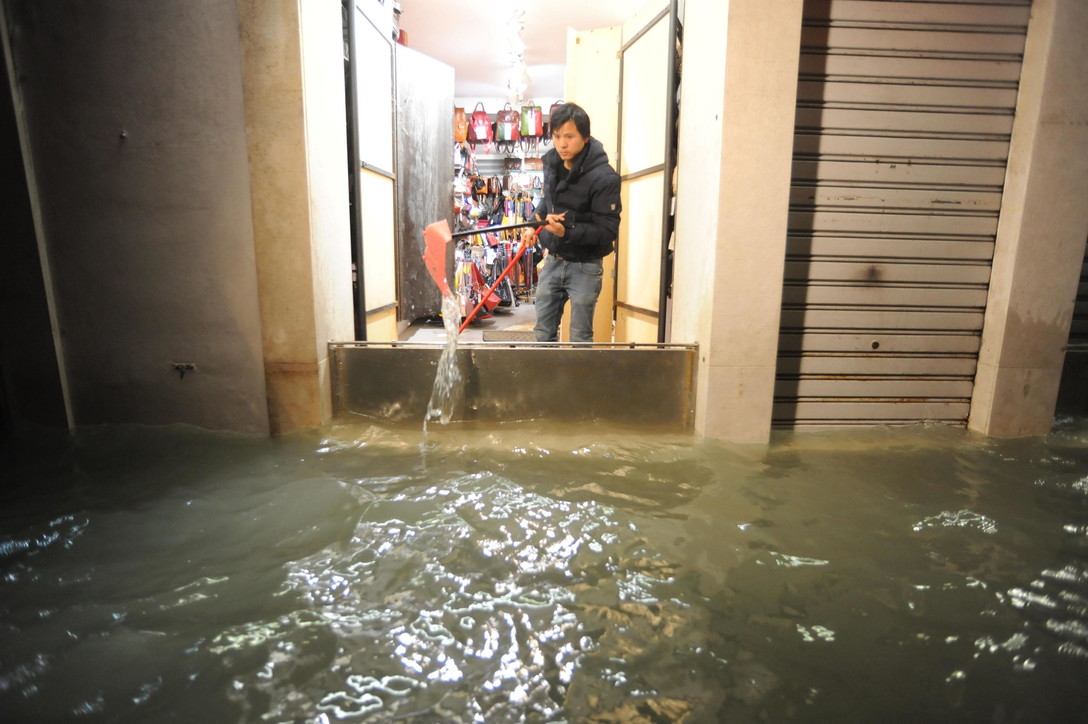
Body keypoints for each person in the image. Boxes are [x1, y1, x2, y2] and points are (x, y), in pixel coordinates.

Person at [522, 103, 621, 343]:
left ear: (585, 137)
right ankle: (543, 381)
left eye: (569, 136)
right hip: (554, 259)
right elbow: (546, 204)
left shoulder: (605, 177)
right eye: (556, 137)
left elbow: (607, 230)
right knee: (543, 333)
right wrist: (532, 225)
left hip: (586, 265)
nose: (562, 144)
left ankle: (576, 382)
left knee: (579, 337)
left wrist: (567, 230)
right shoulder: (553, 164)